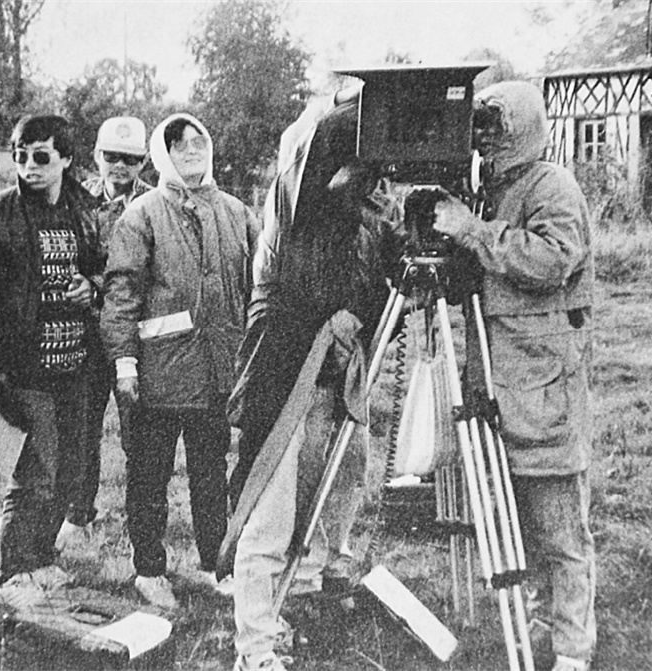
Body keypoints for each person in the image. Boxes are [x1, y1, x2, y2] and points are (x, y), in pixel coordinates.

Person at [219, 90, 407, 671]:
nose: (373, 184)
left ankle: (294, 605)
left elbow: (382, 280)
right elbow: (295, 288)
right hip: (287, 370)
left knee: (334, 492)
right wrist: (343, 312)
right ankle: (255, 641)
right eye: (360, 168)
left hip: (337, 377)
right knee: (271, 507)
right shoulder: (295, 210)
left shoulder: (365, 217)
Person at [432, 80, 596, 671]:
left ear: (519, 129)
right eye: (476, 127)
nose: (480, 139)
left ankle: (573, 651)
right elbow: (473, 278)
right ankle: (533, 629)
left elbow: (552, 259)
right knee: (517, 526)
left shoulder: (552, 185)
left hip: (542, 383)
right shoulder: (491, 192)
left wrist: (472, 231)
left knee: (559, 531)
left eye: (490, 127)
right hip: (497, 385)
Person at [102, 112, 259, 610]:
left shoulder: (237, 211)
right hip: (158, 375)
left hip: (218, 373)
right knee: (149, 476)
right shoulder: (143, 214)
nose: (190, 150)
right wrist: (125, 361)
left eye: (198, 142)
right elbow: (121, 294)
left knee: (211, 473)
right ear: (161, 152)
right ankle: (149, 569)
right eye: (178, 143)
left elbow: (257, 287)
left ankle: (217, 563)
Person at [0, 114, 107, 608]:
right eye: (19, 155)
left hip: (78, 365)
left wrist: (95, 287)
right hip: (24, 369)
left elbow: (103, 271)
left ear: (66, 158)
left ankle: (41, 560)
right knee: (35, 473)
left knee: (70, 470)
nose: (28, 166)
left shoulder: (84, 212)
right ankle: (11, 574)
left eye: (41, 156)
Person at [55, 115, 152, 552]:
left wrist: (97, 286)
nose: (120, 167)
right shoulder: (75, 202)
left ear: (144, 162)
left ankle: (143, 523)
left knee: (141, 431)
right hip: (85, 334)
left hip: (136, 335)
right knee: (82, 428)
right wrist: (81, 284)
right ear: (96, 156)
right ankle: (78, 515)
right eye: (112, 157)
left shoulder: (155, 204)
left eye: (130, 160)